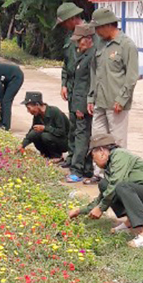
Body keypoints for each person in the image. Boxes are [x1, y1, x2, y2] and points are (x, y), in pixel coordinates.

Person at [70, 134, 143, 247]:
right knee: (104, 185)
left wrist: (101, 208)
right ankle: (131, 221)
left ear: (101, 151)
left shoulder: (120, 155)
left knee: (121, 187)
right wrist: (80, 211)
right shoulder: (109, 165)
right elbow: (104, 195)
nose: (94, 161)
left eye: (93, 156)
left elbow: (116, 185)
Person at [88, 8, 138, 151]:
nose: (96, 32)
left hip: (116, 103)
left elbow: (132, 76)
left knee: (117, 142)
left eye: (98, 28)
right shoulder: (100, 44)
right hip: (99, 101)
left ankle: (118, 172)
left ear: (108, 25)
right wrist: (91, 98)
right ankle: (99, 173)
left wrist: (122, 99)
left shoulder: (126, 45)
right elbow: (94, 71)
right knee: (98, 139)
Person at [55, 2, 85, 168]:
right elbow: (66, 64)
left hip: (83, 88)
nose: (64, 27)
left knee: (82, 129)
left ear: (72, 19)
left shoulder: (89, 34)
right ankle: (71, 157)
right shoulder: (69, 37)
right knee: (73, 125)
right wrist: (64, 84)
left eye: (64, 22)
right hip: (72, 88)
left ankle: (80, 164)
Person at [65, 23, 96, 183]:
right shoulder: (81, 54)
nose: (77, 44)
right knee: (81, 135)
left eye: (80, 41)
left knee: (82, 137)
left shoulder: (92, 57)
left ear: (88, 39)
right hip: (76, 101)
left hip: (83, 105)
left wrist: (81, 107)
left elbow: (88, 85)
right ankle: (86, 169)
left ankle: (77, 170)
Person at [19, 92, 69, 159]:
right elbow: (32, 131)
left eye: (29, 108)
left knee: (45, 136)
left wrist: (45, 128)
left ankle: (57, 156)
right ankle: (46, 154)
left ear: (37, 105)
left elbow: (61, 132)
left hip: (64, 141)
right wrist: (22, 145)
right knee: (35, 133)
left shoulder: (55, 111)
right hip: (51, 138)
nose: (28, 111)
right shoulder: (37, 115)